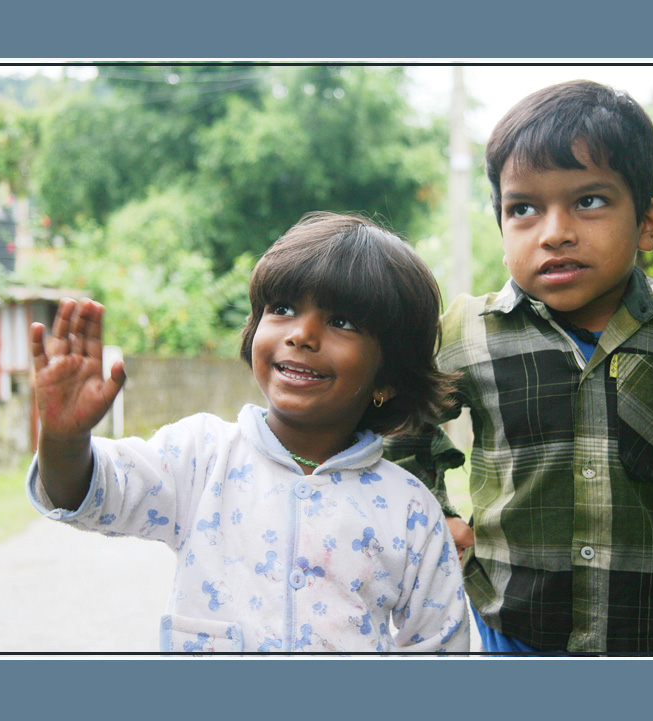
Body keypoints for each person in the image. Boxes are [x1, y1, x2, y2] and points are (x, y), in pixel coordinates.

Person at [385, 80, 653, 654]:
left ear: (649, 222)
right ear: (501, 231)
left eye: (588, 201)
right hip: (513, 627)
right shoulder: (470, 332)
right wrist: (435, 514)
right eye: (523, 209)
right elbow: (403, 420)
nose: (555, 233)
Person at [26, 212, 470, 654]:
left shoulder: (409, 509)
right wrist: (64, 439)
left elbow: (440, 651)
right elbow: (87, 495)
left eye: (343, 322)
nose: (302, 333)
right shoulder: (201, 456)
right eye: (282, 309)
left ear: (388, 377)